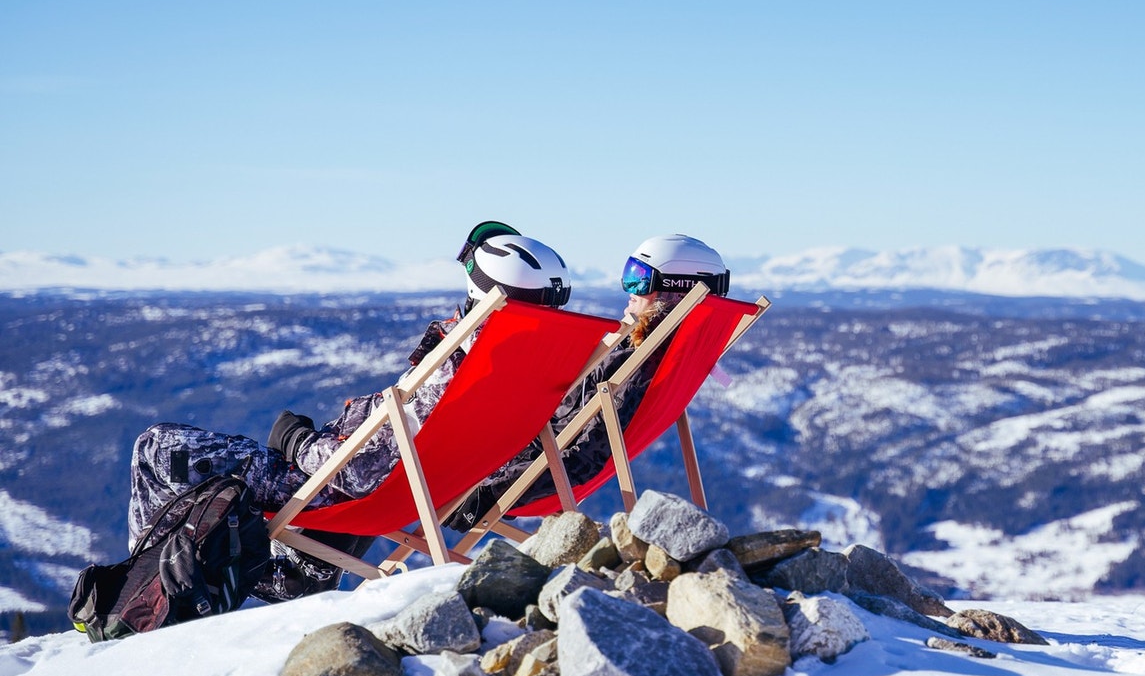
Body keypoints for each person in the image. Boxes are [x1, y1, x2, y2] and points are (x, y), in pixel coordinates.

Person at [126, 227, 732, 602]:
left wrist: (297, 444)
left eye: (641, 282)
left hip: (386, 485)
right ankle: (297, 568)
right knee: (364, 471)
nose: (629, 295)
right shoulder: (638, 361)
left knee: (158, 447)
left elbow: (365, 466)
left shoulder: (477, 365)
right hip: (447, 476)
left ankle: (145, 590)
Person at [444, 232, 733, 530]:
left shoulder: (635, 365)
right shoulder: (671, 354)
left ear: (676, 292)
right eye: (629, 273)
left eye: (640, 278)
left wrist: (490, 492)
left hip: (502, 473)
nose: (629, 289)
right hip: (525, 467)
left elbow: (581, 458)